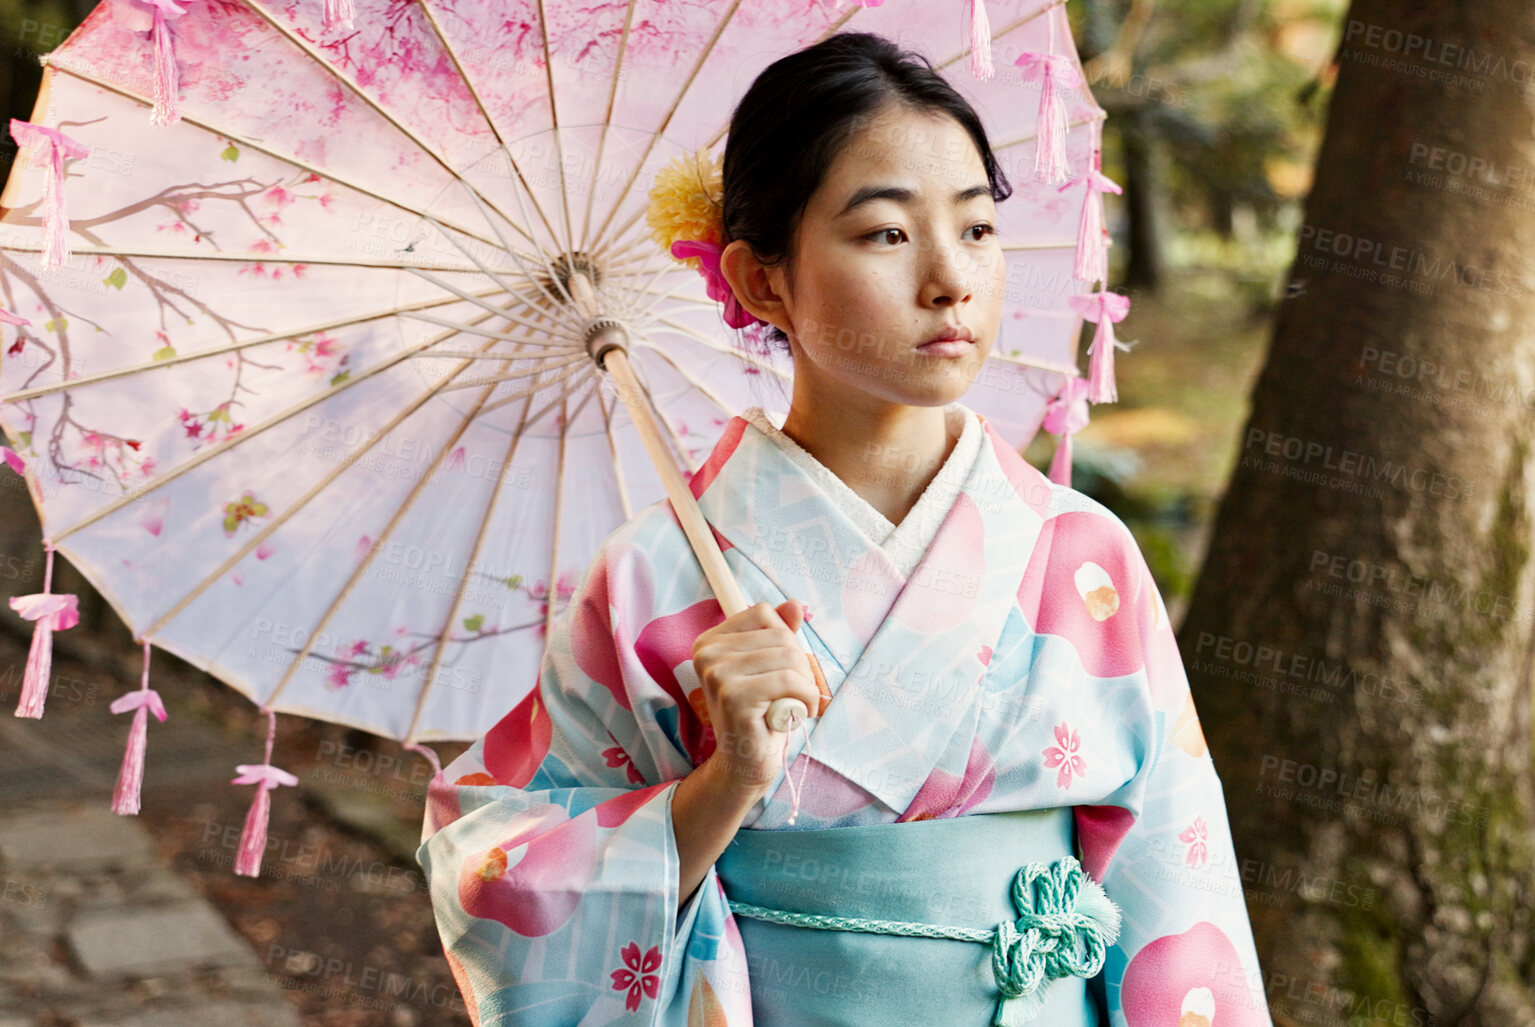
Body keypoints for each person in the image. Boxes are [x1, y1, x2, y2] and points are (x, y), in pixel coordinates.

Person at [417, 31, 1273, 1027]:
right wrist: (722, 784)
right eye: (884, 234)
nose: (952, 278)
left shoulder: (1083, 557)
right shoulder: (653, 579)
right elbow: (496, 872)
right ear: (760, 279)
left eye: (978, 228)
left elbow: (1179, 888)